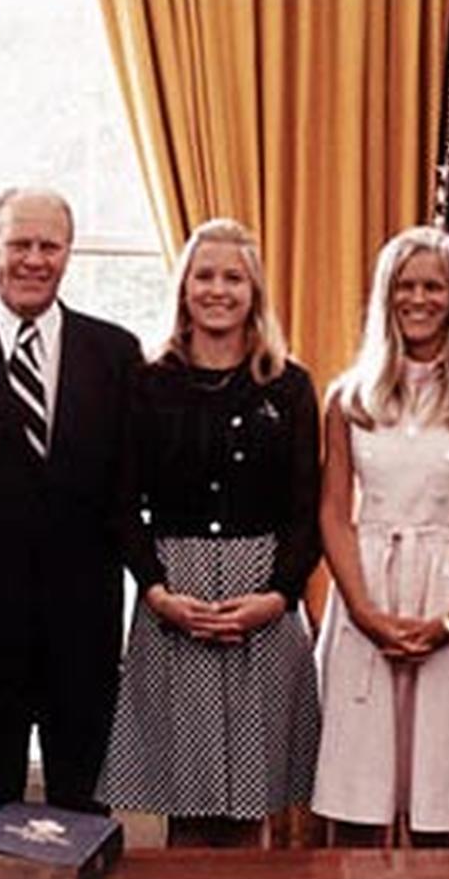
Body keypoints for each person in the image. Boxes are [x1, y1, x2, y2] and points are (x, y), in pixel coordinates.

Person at [0, 187, 146, 822]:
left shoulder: (116, 352)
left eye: (50, 245)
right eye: (20, 243)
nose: (34, 259)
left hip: (86, 625)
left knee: (84, 811)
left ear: (69, 253)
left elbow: (130, 493)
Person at [95, 218, 321, 846]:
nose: (217, 289)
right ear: (184, 286)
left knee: (254, 806)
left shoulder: (290, 385)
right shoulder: (148, 381)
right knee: (186, 801)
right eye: (204, 275)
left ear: (255, 291)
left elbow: (310, 508)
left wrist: (278, 596)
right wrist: (157, 591)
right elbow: (121, 504)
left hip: (264, 602)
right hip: (175, 597)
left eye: (233, 277)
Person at [311, 226, 449, 846]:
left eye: (433, 286)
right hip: (365, 601)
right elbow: (334, 513)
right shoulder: (349, 396)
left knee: (436, 802)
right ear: (385, 295)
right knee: (357, 803)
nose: (418, 299)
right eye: (405, 285)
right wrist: (367, 614)